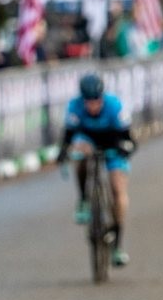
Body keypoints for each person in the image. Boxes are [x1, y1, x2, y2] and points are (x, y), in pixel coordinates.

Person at [56, 72, 135, 267]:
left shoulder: (115, 106)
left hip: (113, 142)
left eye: (96, 101)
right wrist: (63, 153)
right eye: (88, 102)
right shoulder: (74, 107)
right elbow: (68, 137)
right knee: (80, 154)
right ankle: (83, 199)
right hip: (88, 140)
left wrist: (125, 149)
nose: (93, 106)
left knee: (118, 189)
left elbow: (130, 139)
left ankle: (117, 243)